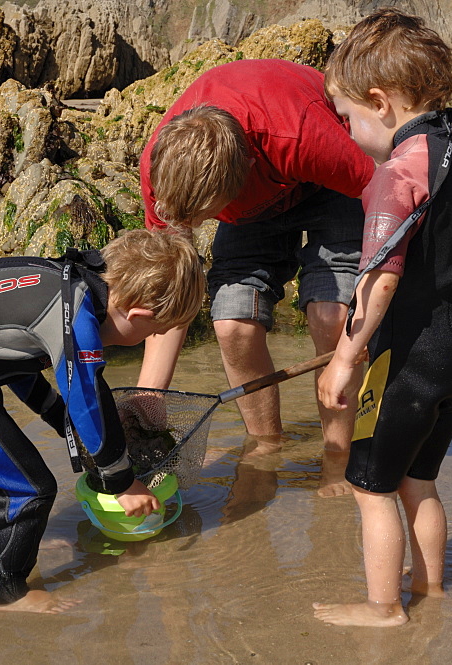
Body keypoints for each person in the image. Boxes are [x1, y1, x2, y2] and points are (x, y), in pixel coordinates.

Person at [0, 230, 205, 614]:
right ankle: (4, 592)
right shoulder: (75, 319)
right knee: (28, 488)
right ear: (138, 316)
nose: (157, 337)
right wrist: (121, 480)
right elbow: (86, 396)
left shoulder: (69, 284)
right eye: (156, 331)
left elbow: (14, 362)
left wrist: (57, 418)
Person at [313, 9, 452, 627]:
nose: (347, 130)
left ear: (380, 102)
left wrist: (343, 359)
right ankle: (432, 589)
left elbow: (380, 275)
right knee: (421, 482)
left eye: (347, 116)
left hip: (404, 363)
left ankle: (383, 606)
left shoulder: (396, 172)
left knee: (371, 488)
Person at [138, 58, 376, 494]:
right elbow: (169, 295)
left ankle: (338, 454)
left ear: (243, 173)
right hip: (255, 196)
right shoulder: (161, 173)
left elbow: (389, 202)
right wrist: (150, 395)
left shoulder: (304, 137)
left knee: (330, 315)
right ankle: (267, 443)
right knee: (232, 324)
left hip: (332, 184)